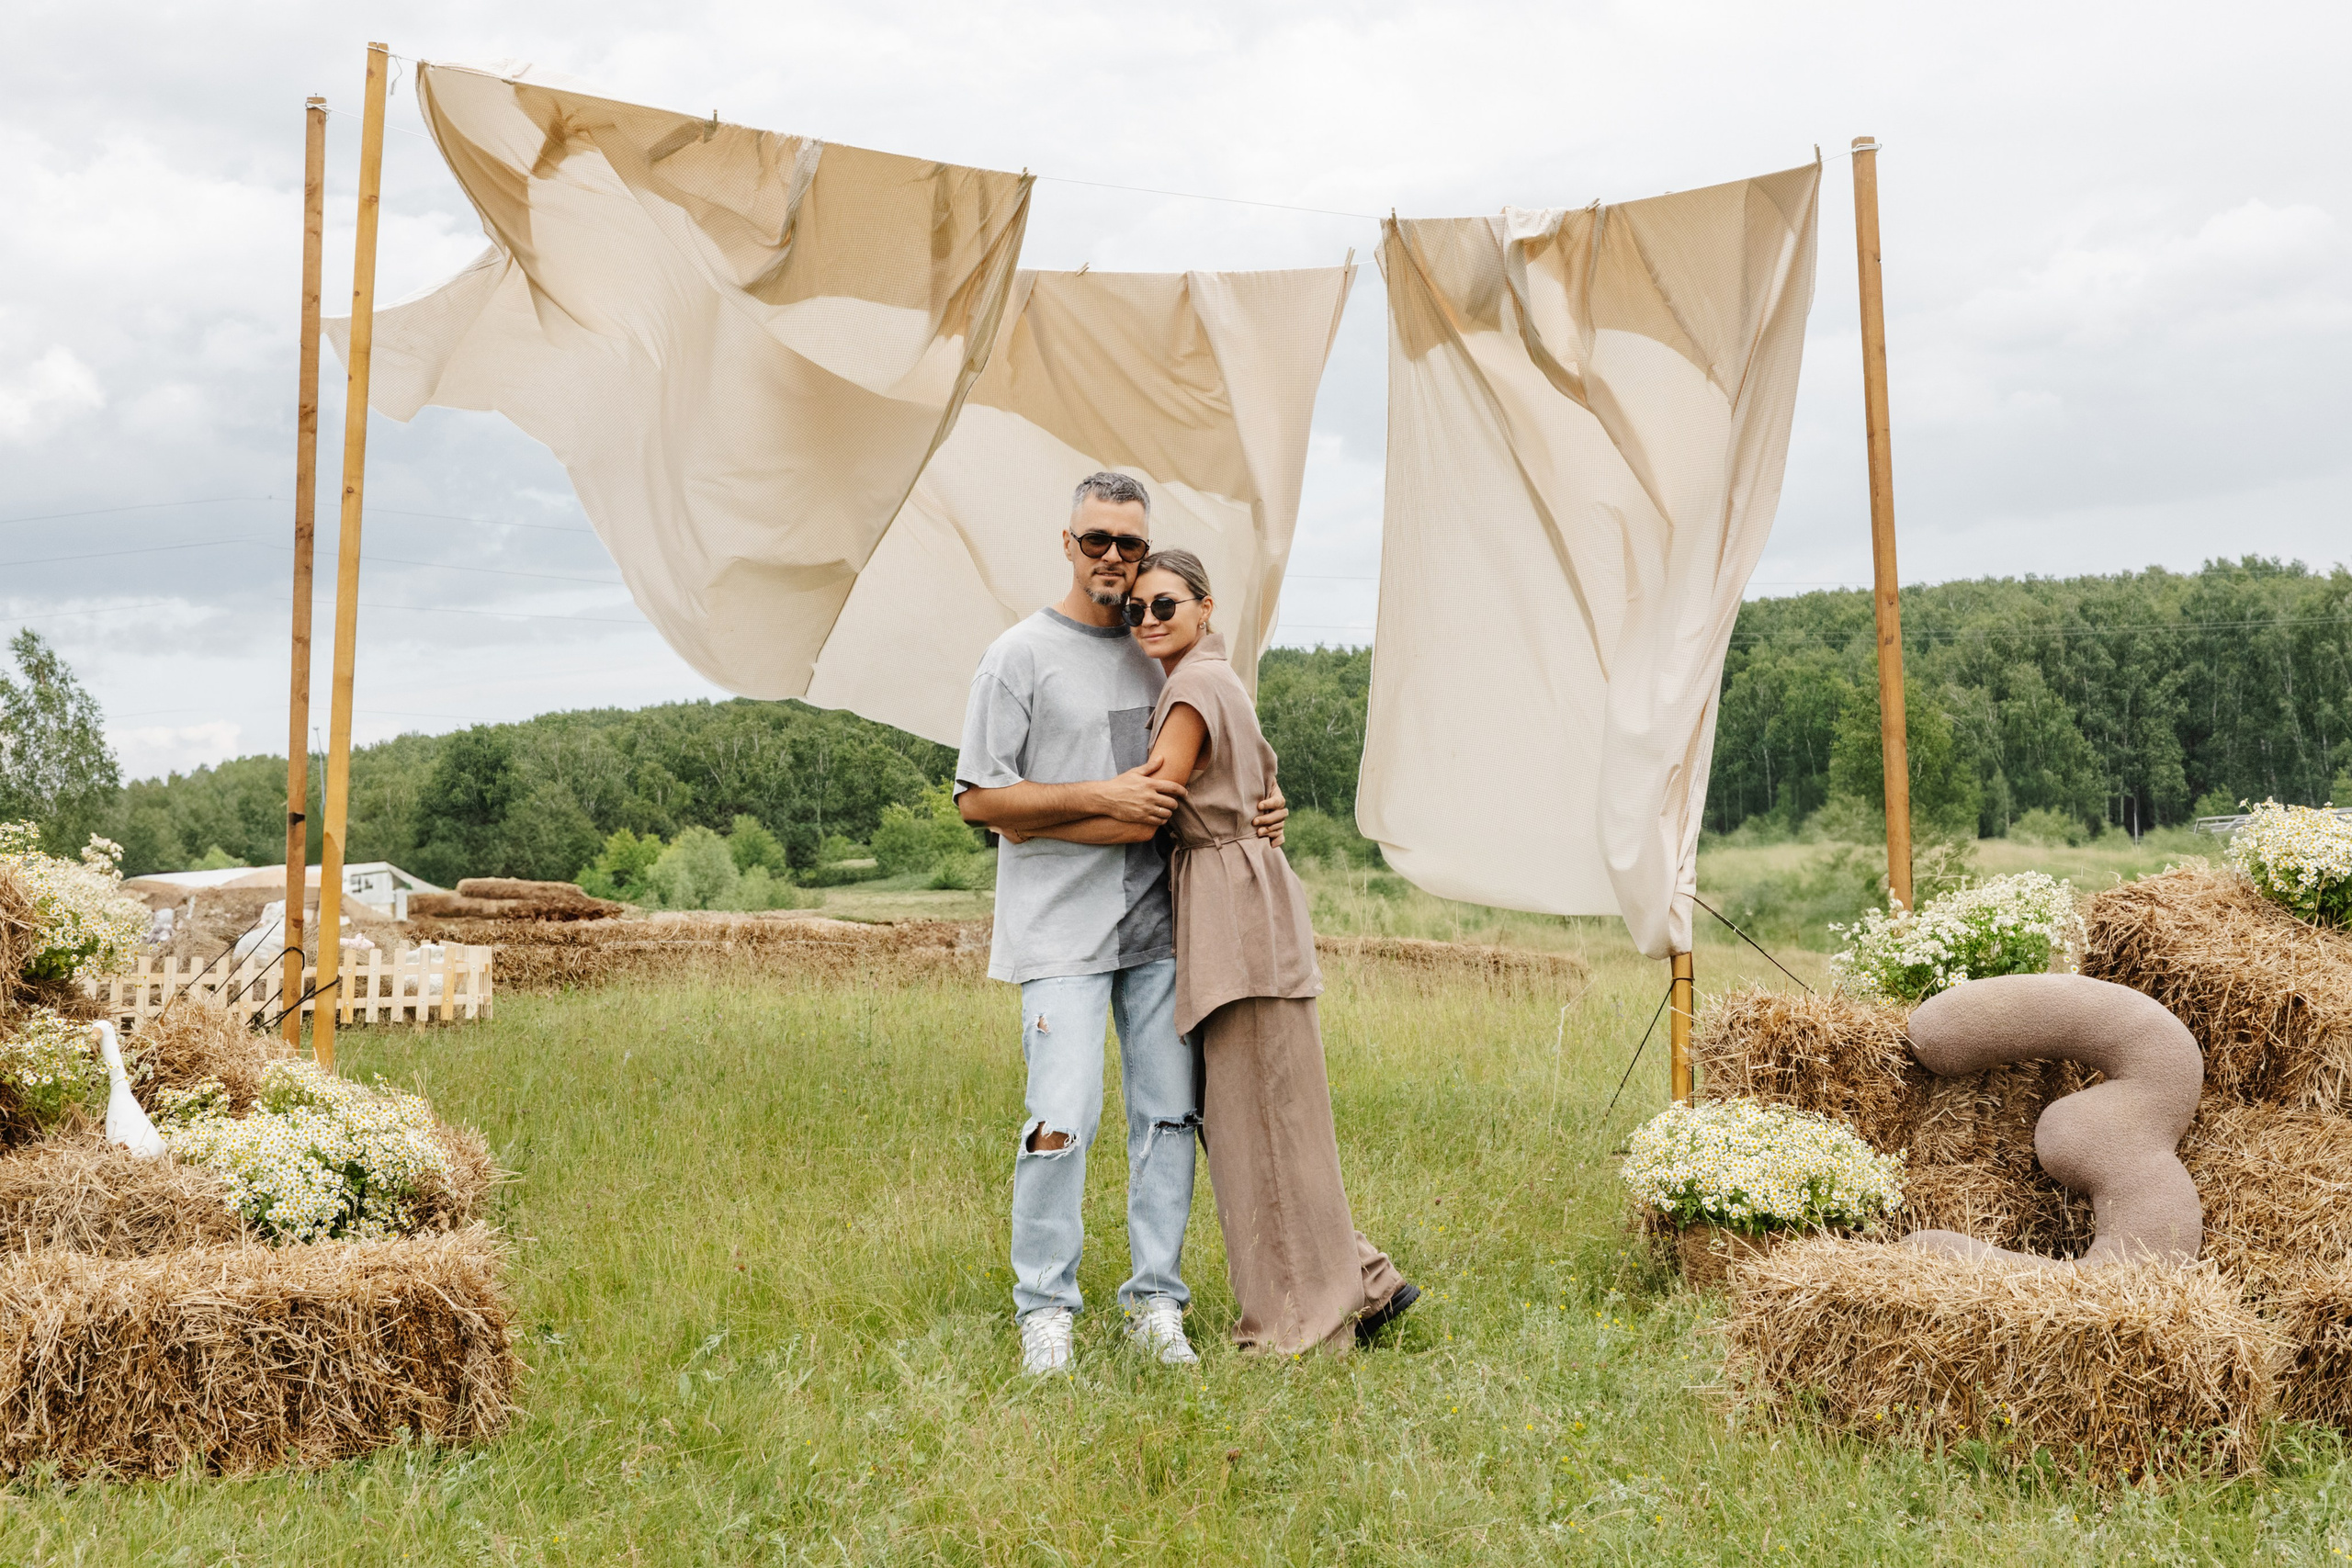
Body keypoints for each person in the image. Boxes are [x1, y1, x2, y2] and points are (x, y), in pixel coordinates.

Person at [1028, 547, 1419, 1354]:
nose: (1148, 620)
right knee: (1268, 1115)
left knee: (1256, 1128)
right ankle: (1366, 1278)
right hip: (1241, 903)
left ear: (1208, 608)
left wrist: (1030, 817)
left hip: (1233, 916)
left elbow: (1149, 807)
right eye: (1136, 609)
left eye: (1165, 604)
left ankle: (1298, 1324)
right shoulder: (1214, 680)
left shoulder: (1195, 686)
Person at [954, 472, 1287, 1376]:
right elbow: (978, 799)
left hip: (1159, 929)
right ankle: (1045, 1312)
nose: (1111, 557)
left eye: (1128, 545)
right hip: (1056, 933)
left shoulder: (1160, 646)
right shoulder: (1017, 657)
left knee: (1168, 1118)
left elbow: (1217, 748)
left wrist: (1264, 801)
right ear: (1066, 542)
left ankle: (1155, 1303)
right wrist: (1099, 799)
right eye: (1095, 540)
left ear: (1147, 551)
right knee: (1059, 1119)